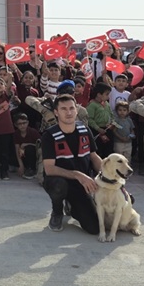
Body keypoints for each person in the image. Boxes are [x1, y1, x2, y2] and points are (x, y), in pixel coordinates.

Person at [41, 94, 102, 233]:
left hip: (83, 184)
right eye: (63, 109)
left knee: (95, 228)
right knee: (58, 185)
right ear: (56, 112)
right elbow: (49, 169)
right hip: (62, 181)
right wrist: (77, 175)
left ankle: (72, 206)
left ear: (77, 110)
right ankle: (57, 212)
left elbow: (94, 156)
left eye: (71, 108)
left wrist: (110, 177)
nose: (68, 112)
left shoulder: (85, 130)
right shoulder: (49, 135)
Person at [12, 113, 40, 179]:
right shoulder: (16, 134)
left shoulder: (33, 132)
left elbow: (41, 145)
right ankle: (24, 167)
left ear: (27, 123)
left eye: (24, 123)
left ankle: (32, 169)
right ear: (16, 125)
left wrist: (27, 144)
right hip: (23, 154)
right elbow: (17, 148)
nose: (22, 125)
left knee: (29, 148)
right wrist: (21, 165)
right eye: (20, 124)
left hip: (34, 155)